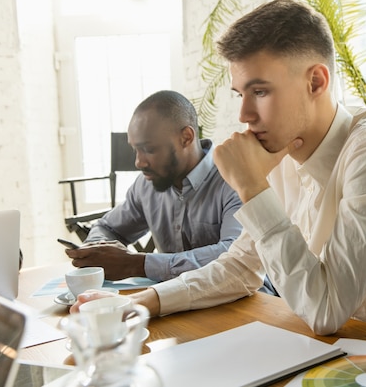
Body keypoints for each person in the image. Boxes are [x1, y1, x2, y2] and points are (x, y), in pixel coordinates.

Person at [72, 0, 366, 335]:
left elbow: (326, 310)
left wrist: (252, 187)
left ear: (316, 82)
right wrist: (145, 301)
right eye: (241, 94)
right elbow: (240, 267)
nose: (245, 114)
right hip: (345, 353)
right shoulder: (281, 154)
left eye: (261, 91)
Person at [65, 90, 243, 282]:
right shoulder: (146, 185)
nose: (138, 162)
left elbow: (235, 255)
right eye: (135, 150)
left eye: (148, 149)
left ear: (186, 137)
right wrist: (97, 250)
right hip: (173, 303)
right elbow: (108, 227)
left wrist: (135, 264)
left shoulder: (236, 179)